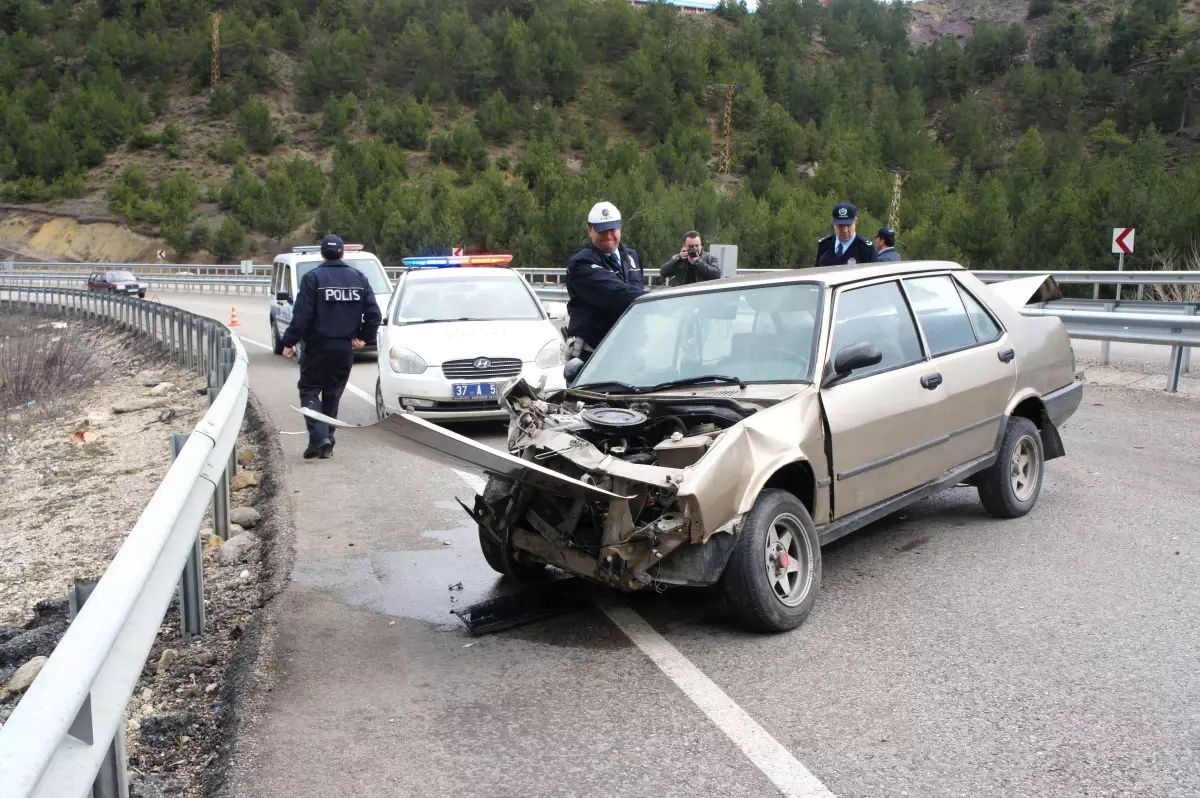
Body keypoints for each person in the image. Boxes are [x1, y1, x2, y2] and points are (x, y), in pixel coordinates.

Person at [281, 235, 382, 460]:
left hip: (317, 347)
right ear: (342, 253)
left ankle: (319, 438)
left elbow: (302, 317)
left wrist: (288, 342)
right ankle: (327, 443)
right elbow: (374, 315)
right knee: (332, 395)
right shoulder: (359, 278)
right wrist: (363, 337)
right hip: (344, 349)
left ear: (323, 254)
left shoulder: (312, 278)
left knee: (309, 390)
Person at [563, 201, 645, 361]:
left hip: (631, 349)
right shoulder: (581, 263)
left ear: (620, 228)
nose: (608, 235)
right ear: (590, 230)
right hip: (594, 355)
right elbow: (616, 293)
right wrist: (656, 299)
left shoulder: (631, 257)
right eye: (602, 231)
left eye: (612, 229)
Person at [814, 202, 876, 267]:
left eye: (848, 225)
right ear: (833, 223)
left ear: (855, 221)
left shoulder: (866, 249)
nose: (845, 230)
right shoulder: (824, 245)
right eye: (840, 226)